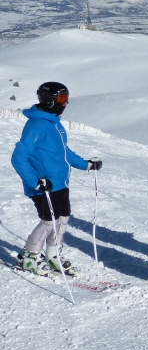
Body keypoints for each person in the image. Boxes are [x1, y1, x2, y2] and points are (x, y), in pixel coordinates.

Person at [10, 82, 101, 276]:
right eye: (61, 98)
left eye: (66, 98)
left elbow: (63, 152)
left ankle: (53, 256)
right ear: (50, 100)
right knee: (48, 222)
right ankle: (30, 258)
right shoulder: (37, 125)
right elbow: (19, 157)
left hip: (60, 183)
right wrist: (35, 181)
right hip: (44, 186)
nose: (65, 103)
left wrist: (86, 165)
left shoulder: (54, 123)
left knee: (63, 219)